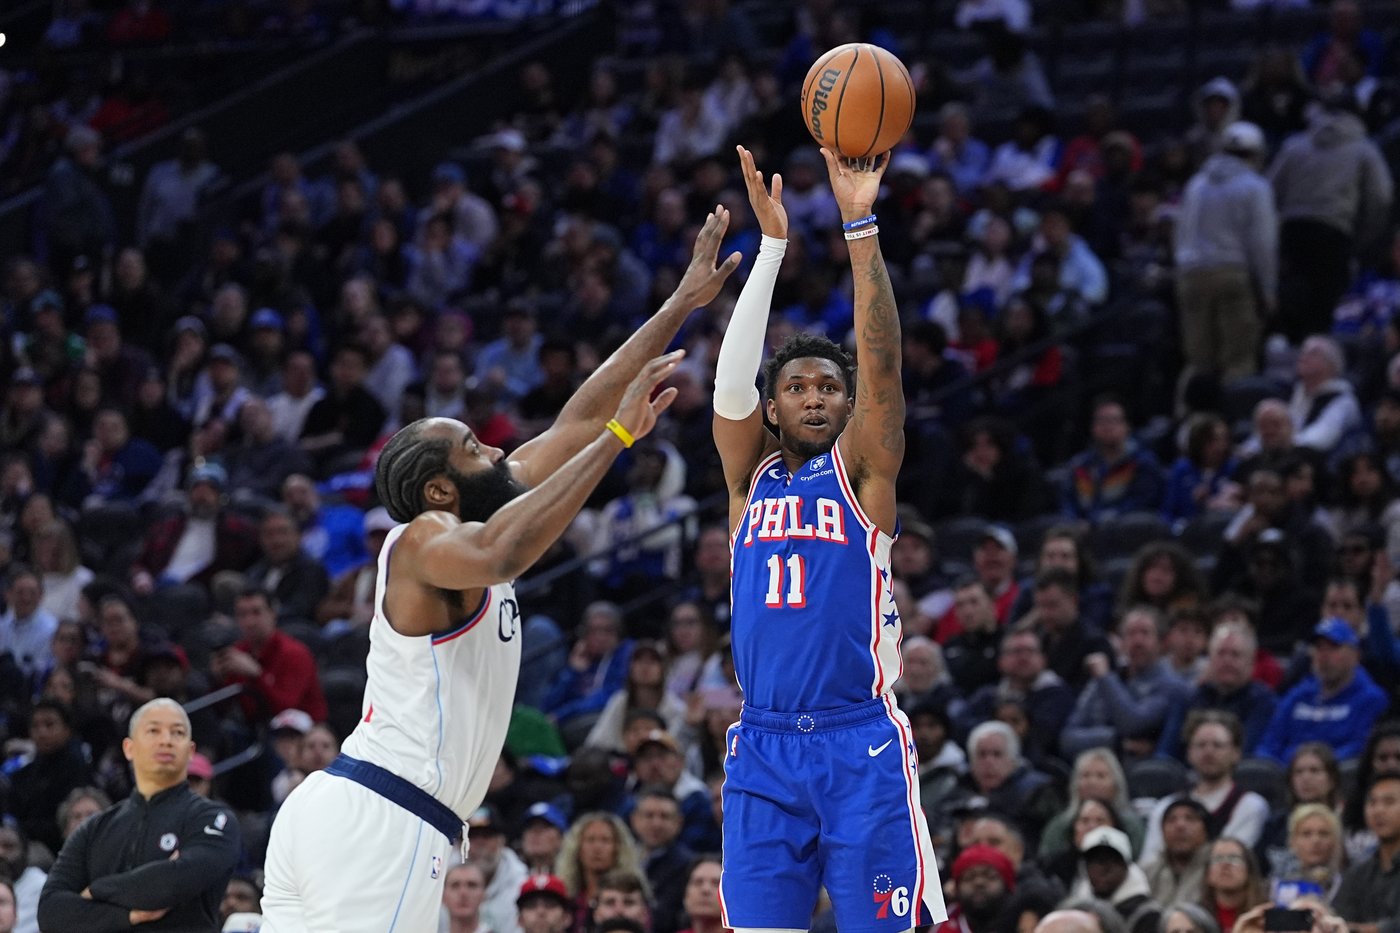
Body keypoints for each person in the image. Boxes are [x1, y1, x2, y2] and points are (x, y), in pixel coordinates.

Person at [258, 209, 740, 933]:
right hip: (383, 817)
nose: (498, 453)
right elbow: (506, 553)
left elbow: (575, 421)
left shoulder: (472, 515)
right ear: (441, 490)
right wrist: (617, 440)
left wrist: (679, 304)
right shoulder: (425, 540)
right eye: (477, 448)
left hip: (355, 811)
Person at [710, 143, 946, 932]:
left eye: (829, 387)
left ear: (848, 407)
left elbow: (883, 366)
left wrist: (860, 226)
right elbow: (727, 383)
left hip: (860, 743)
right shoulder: (751, 482)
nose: (815, 397)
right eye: (797, 386)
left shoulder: (864, 474)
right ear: (772, 408)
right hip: (764, 747)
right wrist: (771, 247)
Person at [38, 698, 241, 931]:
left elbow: (171, 885)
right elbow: (50, 913)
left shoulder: (212, 818)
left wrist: (95, 891)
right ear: (129, 748)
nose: (166, 741)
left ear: (190, 751)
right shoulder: (94, 828)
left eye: (177, 733)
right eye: (153, 731)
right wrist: (129, 916)